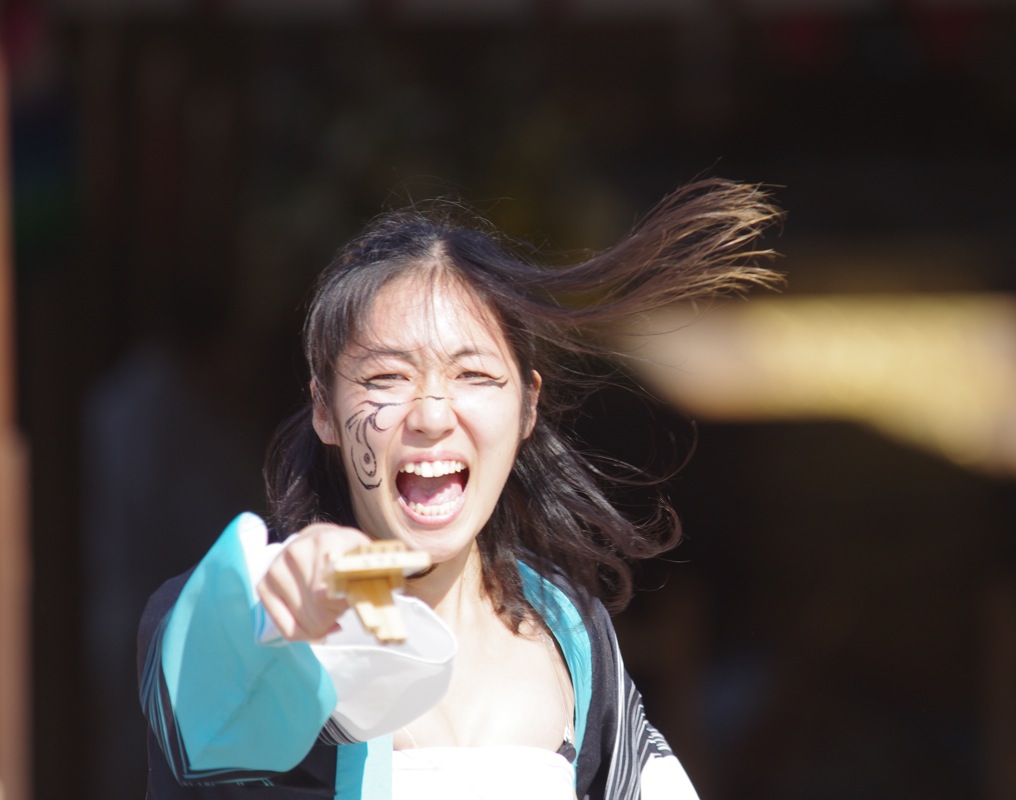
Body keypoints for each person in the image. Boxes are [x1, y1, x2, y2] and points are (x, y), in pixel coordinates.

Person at [137, 178, 783, 799]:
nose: (432, 415)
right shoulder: (256, 616)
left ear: (528, 407)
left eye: (473, 374)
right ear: (324, 410)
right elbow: (206, 678)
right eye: (387, 379)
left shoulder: (571, 636)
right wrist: (277, 604)